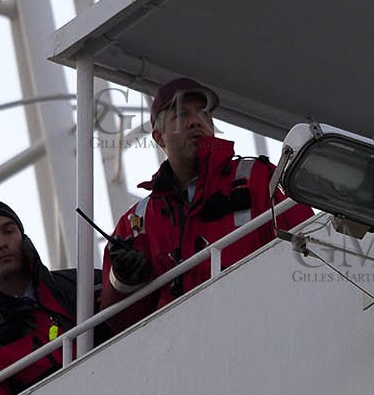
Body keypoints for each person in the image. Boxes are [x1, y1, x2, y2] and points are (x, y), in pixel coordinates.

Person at [99, 77, 312, 331]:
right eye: (181, 115)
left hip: (266, 324)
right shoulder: (136, 224)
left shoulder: (258, 177)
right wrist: (123, 282)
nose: (195, 121)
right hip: (182, 345)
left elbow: (310, 247)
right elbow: (117, 326)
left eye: (203, 112)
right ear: (159, 137)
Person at [0, 198, 96, 395]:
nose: (0, 244)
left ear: (23, 238)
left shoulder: (85, 283)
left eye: (8, 231)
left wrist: (122, 283)